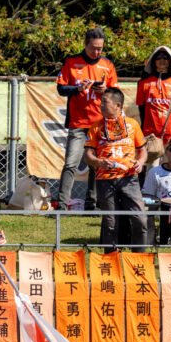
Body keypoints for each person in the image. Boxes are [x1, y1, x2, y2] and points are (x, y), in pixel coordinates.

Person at [54, 27, 118, 209]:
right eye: (93, 48)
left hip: (100, 124)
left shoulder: (107, 64)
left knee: (96, 165)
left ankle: (92, 203)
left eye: (100, 48)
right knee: (70, 164)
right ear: (85, 44)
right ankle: (62, 205)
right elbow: (60, 88)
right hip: (78, 124)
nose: (97, 52)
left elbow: (116, 94)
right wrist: (78, 89)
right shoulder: (71, 62)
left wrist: (106, 90)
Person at [85, 88, 149, 250]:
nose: (100, 105)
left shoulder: (133, 124)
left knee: (140, 219)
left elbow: (143, 150)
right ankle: (110, 258)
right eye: (101, 102)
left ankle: (139, 257)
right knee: (111, 223)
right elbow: (87, 155)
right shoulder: (96, 127)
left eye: (105, 102)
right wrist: (98, 162)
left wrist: (140, 162)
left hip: (129, 179)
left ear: (118, 105)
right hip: (105, 180)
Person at [135, 45, 171, 166]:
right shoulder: (143, 83)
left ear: (170, 61)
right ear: (153, 61)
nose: (162, 60)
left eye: (166, 57)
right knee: (152, 169)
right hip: (151, 135)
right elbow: (141, 108)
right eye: (159, 57)